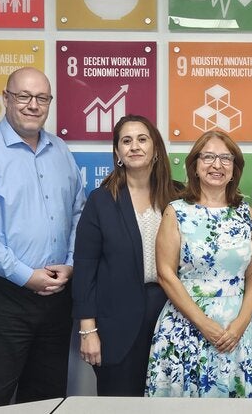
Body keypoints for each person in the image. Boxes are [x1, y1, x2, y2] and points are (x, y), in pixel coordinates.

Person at [0, 67, 85, 410]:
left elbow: (79, 215)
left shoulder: (61, 151)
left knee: (48, 398)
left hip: (55, 295)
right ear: (5, 99)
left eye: (42, 98)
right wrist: (26, 276)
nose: (32, 105)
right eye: (23, 96)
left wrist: (69, 265)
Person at [146, 130, 252, 397]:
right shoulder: (176, 211)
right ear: (195, 166)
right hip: (186, 326)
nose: (217, 165)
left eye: (226, 158)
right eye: (208, 157)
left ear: (235, 170)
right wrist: (203, 323)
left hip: (237, 329)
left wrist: (240, 323)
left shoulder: (245, 212)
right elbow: (166, 274)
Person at [72, 115, 182, 396]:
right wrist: (88, 330)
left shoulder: (180, 196)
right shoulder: (101, 200)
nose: (134, 146)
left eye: (142, 139)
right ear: (118, 152)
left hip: (172, 319)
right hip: (116, 326)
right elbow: (85, 268)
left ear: (156, 148)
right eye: (126, 140)